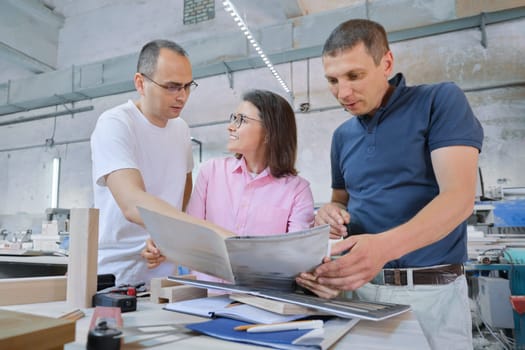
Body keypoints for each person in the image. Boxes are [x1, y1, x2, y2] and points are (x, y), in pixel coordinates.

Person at [295, 19, 483, 349]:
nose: (343, 92)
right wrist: (330, 211)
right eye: (333, 80)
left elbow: (459, 198)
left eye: (354, 76)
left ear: (386, 63)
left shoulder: (438, 101)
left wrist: (382, 248)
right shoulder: (343, 136)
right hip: (359, 293)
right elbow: (341, 200)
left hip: (431, 295)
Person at [142, 89, 315, 282]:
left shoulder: (297, 191)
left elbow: (295, 261)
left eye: (241, 120)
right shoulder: (211, 172)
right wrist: (165, 247)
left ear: (269, 132)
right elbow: (190, 234)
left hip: (262, 302)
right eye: (233, 118)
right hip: (207, 298)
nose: (230, 127)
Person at [90, 39, 196, 286]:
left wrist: (167, 237)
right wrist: (204, 232)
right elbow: (132, 202)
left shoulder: (181, 129)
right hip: (115, 275)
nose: (181, 96)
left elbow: (183, 192)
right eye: (171, 87)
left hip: (163, 276)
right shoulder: (115, 123)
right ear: (141, 83)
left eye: (187, 86)